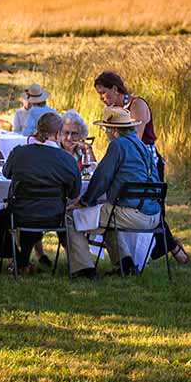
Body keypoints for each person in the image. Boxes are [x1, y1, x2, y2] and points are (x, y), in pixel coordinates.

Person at [94, 71, 189, 264]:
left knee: (151, 207)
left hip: (146, 161)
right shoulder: (114, 111)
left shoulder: (137, 105)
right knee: (139, 205)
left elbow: (133, 142)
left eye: (103, 92)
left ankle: (171, 248)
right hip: (129, 161)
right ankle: (167, 248)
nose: (102, 98)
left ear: (115, 88)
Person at [65, 106, 163, 277]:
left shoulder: (117, 145)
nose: (105, 132)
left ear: (114, 130)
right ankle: (125, 265)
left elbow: (102, 178)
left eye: (106, 128)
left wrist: (83, 202)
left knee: (71, 216)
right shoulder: (142, 146)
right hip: (154, 215)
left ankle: (84, 268)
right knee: (106, 214)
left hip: (133, 214)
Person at [0, 113, 80, 274]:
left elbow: (7, 173)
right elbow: (75, 192)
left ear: (37, 130)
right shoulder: (67, 160)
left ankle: (19, 260)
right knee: (33, 212)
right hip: (54, 215)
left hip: (21, 213)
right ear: (58, 134)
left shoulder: (19, 153)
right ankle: (22, 261)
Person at [60, 109, 98, 175]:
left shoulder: (83, 152)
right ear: (59, 133)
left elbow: (94, 174)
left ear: (81, 135)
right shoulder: (55, 150)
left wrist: (88, 149)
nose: (69, 138)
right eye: (66, 133)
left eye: (74, 133)